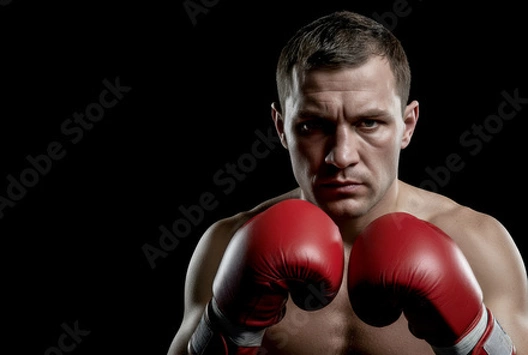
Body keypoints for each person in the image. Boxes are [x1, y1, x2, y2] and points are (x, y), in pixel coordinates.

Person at [167, 10, 528, 355]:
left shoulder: (477, 244)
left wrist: (473, 338)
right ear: (280, 128)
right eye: (312, 125)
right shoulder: (229, 245)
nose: (341, 156)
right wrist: (229, 329)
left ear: (408, 125)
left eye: (368, 123)